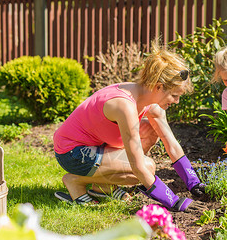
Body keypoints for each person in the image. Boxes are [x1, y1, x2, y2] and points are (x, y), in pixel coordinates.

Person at [53, 43, 205, 212]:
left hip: (96, 147)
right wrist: (174, 201)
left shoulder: (148, 99)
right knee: (145, 167)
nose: (176, 101)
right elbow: (138, 166)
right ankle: (76, 181)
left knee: (150, 131)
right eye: (175, 95)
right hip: (71, 153)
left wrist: (194, 182)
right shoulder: (125, 105)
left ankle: (101, 186)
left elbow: (171, 143)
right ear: (159, 87)